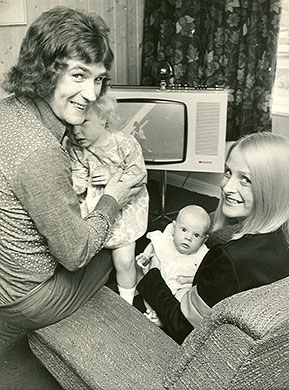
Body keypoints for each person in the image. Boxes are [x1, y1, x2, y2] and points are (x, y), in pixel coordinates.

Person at [0, 6, 146, 329]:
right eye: (78, 75)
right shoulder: (41, 152)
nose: (92, 94)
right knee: (119, 244)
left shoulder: (7, 109)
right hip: (29, 298)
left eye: (98, 80)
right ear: (44, 70)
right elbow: (76, 254)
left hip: (6, 269)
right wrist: (113, 198)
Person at [136, 131, 289, 344]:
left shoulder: (230, 258)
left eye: (246, 179)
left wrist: (153, 273)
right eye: (228, 172)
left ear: (272, 188)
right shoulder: (285, 239)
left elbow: (182, 327)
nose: (227, 187)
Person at [66, 95, 149, 304]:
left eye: (84, 122)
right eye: (71, 125)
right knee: (84, 257)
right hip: (94, 208)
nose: (76, 131)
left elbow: (139, 177)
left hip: (124, 211)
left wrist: (113, 176)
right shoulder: (75, 148)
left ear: (103, 118)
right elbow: (77, 180)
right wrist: (76, 181)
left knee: (124, 261)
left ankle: (128, 300)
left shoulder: (125, 143)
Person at [136, 205, 210, 302]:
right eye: (184, 230)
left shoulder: (202, 254)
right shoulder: (166, 239)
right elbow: (154, 243)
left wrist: (188, 280)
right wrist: (146, 255)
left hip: (179, 284)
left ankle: (169, 311)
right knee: (140, 273)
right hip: (157, 277)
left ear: (204, 240)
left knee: (184, 297)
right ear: (174, 228)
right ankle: (149, 309)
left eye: (196, 235)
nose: (188, 237)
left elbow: (204, 276)